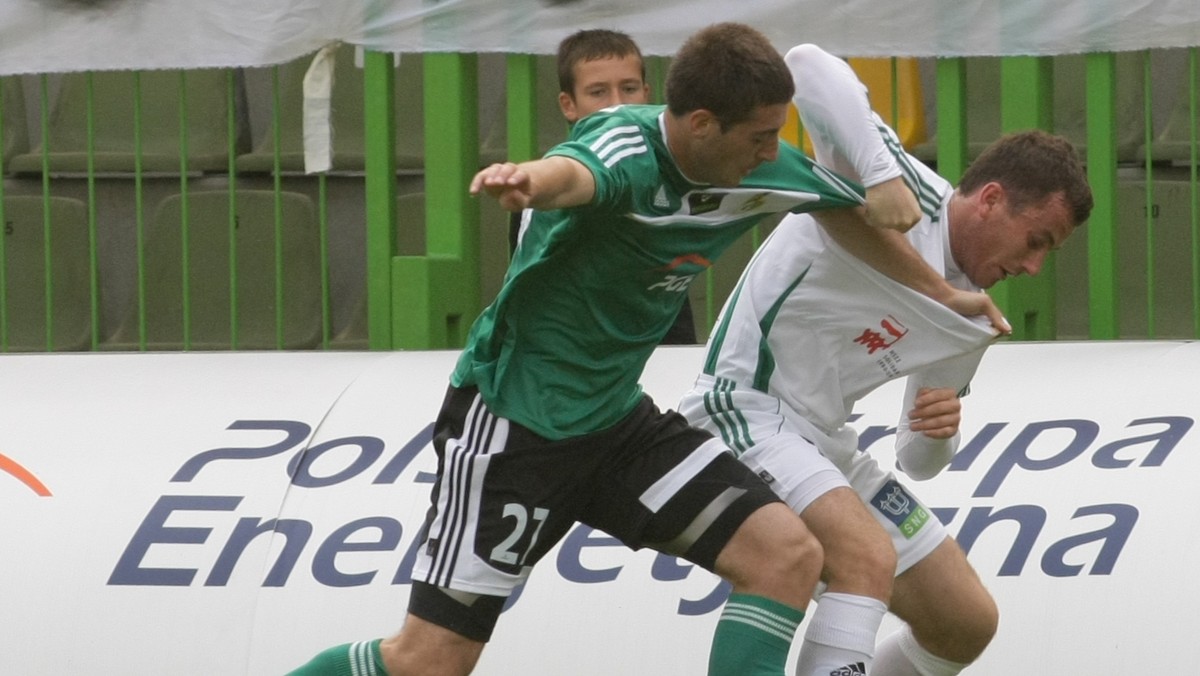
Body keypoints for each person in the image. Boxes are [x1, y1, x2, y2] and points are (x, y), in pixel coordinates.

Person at [289, 24, 999, 676]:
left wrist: (938, 292)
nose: (769, 150)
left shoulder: (755, 164)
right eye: (758, 136)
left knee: (785, 554)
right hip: (516, 427)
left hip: (617, 426)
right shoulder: (624, 149)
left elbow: (841, 210)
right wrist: (531, 180)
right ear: (699, 125)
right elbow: (575, 174)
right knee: (427, 661)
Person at [678, 43, 1094, 676]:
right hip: (744, 407)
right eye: (1035, 240)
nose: (1033, 265)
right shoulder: (911, 195)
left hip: (824, 440)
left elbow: (916, 461)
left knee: (964, 622)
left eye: (1048, 254)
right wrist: (880, 174)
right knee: (864, 555)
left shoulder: (971, 311)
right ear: (989, 199)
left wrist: (939, 432)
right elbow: (808, 63)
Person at [505, 28, 699, 344]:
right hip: (574, 366)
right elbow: (529, 299)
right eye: (598, 92)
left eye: (629, 88)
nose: (617, 105)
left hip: (662, 353)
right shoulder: (544, 191)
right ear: (569, 105)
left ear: (647, 94)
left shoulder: (674, 176)